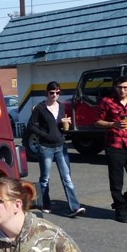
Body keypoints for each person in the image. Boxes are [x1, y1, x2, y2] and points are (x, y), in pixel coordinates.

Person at [26, 81, 85, 217]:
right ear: (47, 93)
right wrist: (45, 134)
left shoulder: (61, 107)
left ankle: (75, 207)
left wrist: (65, 124)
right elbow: (31, 126)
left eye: (57, 92)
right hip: (45, 147)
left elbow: (59, 125)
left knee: (67, 178)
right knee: (45, 178)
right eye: (51, 92)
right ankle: (45, 204)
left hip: (60, 146)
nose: (54, 95)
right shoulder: (40, 108)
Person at [95, 75, 127, 222]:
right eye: (119, 87)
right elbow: (97, 122)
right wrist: (112, 124)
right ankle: (121, 209)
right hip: (114, 145)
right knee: (117, 181)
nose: (122, 90)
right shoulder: (107, 102)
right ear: (115, 88)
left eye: (125, 87)